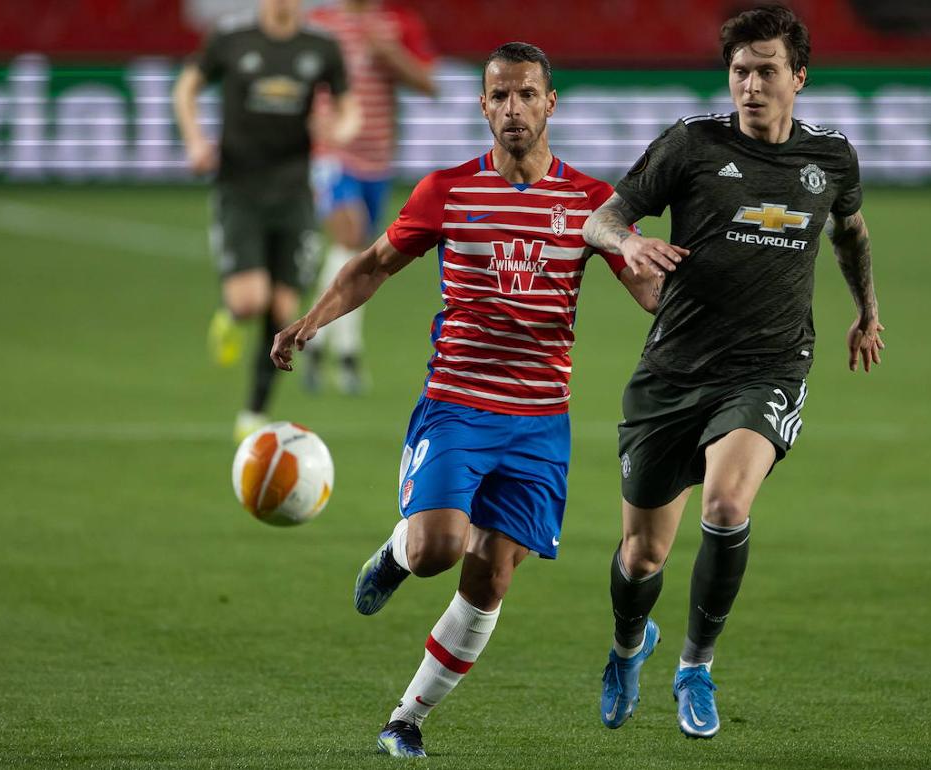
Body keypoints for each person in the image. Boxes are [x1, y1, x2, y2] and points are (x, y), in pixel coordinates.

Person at [271, 42, 655, 758]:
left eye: (527, 94)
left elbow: (645, 289)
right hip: (459, 403)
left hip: (541, 422)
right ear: (483, 106)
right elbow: (374, 264)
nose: (514, 108)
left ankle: (405, 719)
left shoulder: (591, 202)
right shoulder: (446, 190)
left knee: (492, 574)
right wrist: (311, 322)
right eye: (499, 96)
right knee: (437, 549)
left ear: (551, 103)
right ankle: (395, 552)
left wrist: (688, 293)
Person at [582, 4, 885, 740]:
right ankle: (628, 646)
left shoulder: (833, 160)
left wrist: (866, 310)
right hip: (673, 369)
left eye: (767, 71)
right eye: (740, 71)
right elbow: (601, 219)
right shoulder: (689, 145)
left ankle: (696, 666)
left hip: (768, 368)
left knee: (724, 506)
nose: (751, 85)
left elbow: (851, 232)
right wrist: (627, 246)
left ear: (799, 78)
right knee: (642, 554)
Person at [173, 0, 361, 442]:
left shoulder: (321, 47)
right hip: (239, 188)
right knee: (249, 301)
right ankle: (231, 317)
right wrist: (196, 141)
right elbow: (186, 87)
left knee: (284, 314)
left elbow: (349, 108)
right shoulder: (232, 38)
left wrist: (340, 129)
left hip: (295, 192)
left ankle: (253, 413)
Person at [303, 0, 438, 395]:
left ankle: (317, 342)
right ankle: (346, 351)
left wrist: (389, 53)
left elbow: (429, 82)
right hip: (332, 154)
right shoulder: (321, 24)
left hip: (377, 159)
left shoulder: (397, 24)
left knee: (358, 251)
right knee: (351, 235)